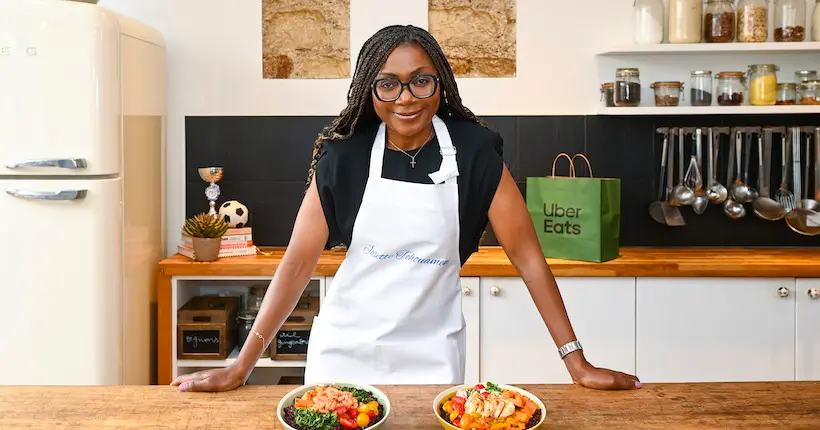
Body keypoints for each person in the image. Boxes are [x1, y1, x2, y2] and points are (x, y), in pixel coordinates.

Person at [172, 24, 641, 392]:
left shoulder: (476, 154)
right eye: (388, 85)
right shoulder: (345, 157)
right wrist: (240, 366)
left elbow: (528, 259)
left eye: (420, 81)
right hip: (345, 352)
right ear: (368, 90)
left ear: (440, 82)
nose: (406, 99)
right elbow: (296, 264)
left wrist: (575, 362)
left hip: (431, 356)